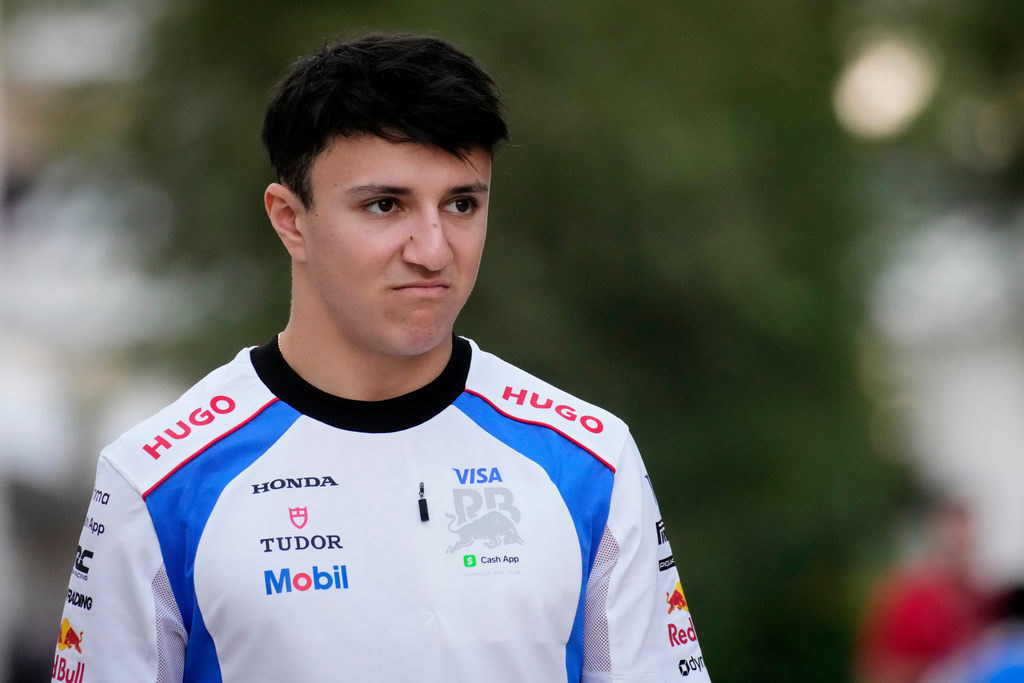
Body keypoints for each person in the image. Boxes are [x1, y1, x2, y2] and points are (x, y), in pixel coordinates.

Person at [52, 33, 710, 682]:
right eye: (385, 204)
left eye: (461, 203)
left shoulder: (592, 458)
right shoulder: (157, 480)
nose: (432, 248)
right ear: (290, 219)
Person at [855, 499, 992, 683]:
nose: (960, 556)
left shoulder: (979, 601)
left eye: (965, 547)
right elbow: (874, 669)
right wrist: (937, 668)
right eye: (954, 547)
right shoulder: (905, 597)